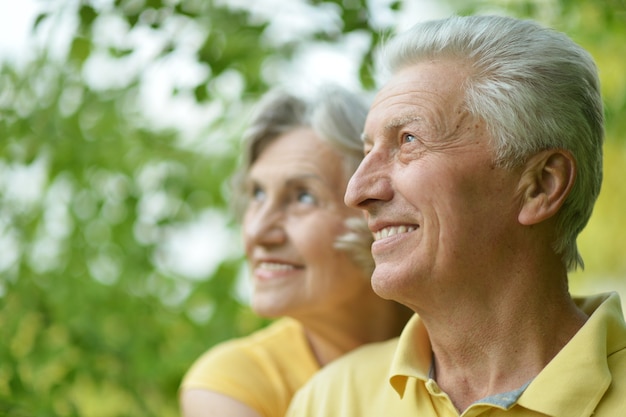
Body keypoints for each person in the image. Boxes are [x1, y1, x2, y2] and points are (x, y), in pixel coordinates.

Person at [286, 14, 626, 416]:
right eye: (367, 151)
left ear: (541, 186)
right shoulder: (331, 400)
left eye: (408, 140)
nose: (356, 192)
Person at [179, 86, 412, 417]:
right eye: (257, 194)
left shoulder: (470, 343)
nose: (258, 231)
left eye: (303, 196)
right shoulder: (232, 383)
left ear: (373, 205)